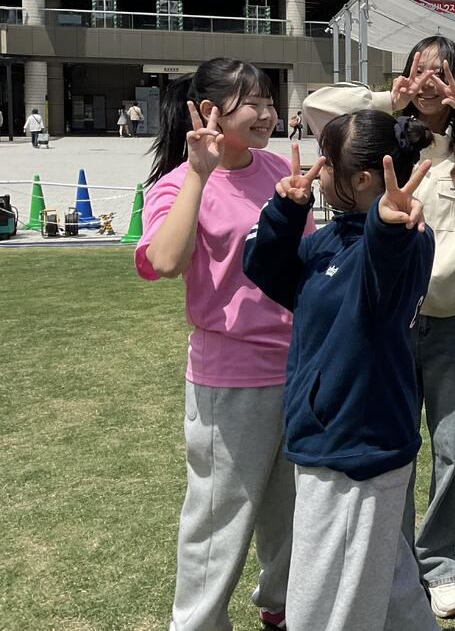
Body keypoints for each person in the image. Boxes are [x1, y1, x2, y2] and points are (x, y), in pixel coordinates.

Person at [301, 36, 455, 618]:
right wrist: (390, 98)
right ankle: (398, 556)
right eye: (419, 69)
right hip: (393, 322)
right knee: (398, 443)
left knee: (450, 449)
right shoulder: (391, 142)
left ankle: (441, 561)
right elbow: (318, 109)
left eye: (442, 72)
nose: (429, 81)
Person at [243, 114, 440, 631]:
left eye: (328, 162)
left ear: (364, 180)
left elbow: (381, 273)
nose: (318, 169)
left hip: (357, 446)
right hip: (328, 436)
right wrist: (287, 210)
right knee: (387, 585)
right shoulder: (328, 241)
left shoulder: (407, 241)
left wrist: (388, 225)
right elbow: (266, 270)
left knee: (323, 604)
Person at [136, 58, 304, 631]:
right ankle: (199, 623)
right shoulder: (178, 185)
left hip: (297, 366)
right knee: (219, 518)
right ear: (210, 111)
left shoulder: (278, 168)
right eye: (252, 103)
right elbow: (164, 261)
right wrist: (198, 174)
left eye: (269, 102)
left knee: (290, 509)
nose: (267, 114)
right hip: (230, 378)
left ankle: (282, 606)